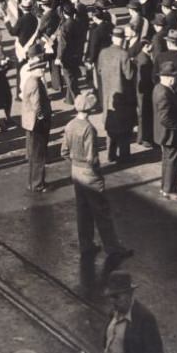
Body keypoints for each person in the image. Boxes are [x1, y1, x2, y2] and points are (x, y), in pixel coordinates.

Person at [62, 91, 131, 259]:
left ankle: (86, 244)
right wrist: (97, 172)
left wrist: (74, 162)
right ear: (91, 110)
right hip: (89, 173)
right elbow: (92, 157)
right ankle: (113, 248)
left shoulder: (70, 125)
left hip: (75, 171)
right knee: (101, 212)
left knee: (83, 210)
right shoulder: (89, 129)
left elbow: (64, 151)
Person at [103, 271, 167, 353]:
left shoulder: (144, 318)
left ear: (129, 294)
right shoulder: (114, 313)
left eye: (117, 297)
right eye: (111, 296)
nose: (112, 301)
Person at [99, 27, 138, 162]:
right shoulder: (124, 54)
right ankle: (124, 156)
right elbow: (129, 75)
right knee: (124, 128)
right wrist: (134, 64)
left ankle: (110, 154)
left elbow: (99, 70)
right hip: (123, 96)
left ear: (112, 38)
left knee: (111, 126)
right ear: (123, 40)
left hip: (108, 95)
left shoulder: (103, 53)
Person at [19, 45, 52, 193]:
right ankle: (38, 184)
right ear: (34, 70)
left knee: (34, 155)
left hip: (30, 123)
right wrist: (42, 117)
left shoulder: (30, 81)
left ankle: (33, 182)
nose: (43, 70)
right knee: (39, 155)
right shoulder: (35, 83)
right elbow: (37, 105)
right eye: (40, 68)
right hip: (37, 124)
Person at [155, 60, 177, 200]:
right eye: (175, 77)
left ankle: (165, 187)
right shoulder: (165, 93)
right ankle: (170, 190)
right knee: (173, 162)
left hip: (163, 133)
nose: (176, 80)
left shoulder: (159, 89)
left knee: (167, 160)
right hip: (170, 134)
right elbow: (165, 118)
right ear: (169, 78)